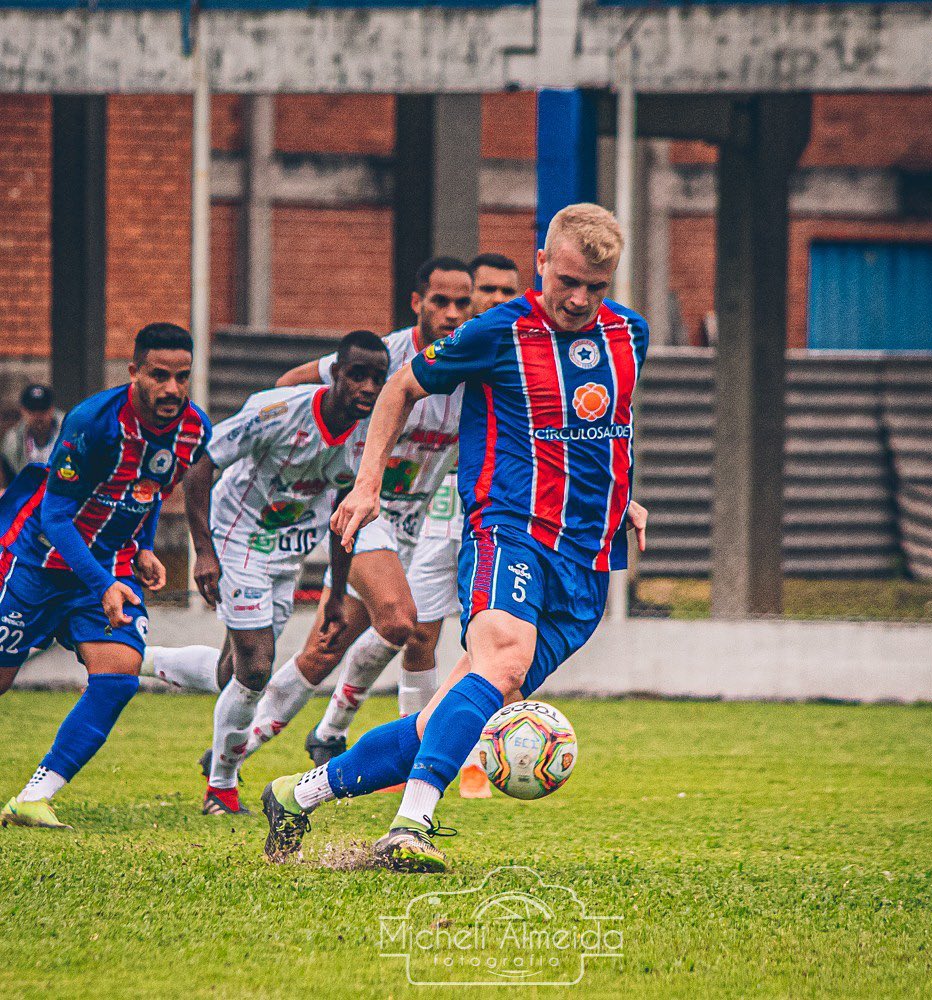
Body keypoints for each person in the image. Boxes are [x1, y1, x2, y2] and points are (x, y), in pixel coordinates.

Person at [260, 203, 649, 873]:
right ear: (543, 264)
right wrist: (366, 485)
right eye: (570, 282)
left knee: (453, 714)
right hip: (510, 531)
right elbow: (400, 387)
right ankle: (410, 826)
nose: (581, 300)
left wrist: (623, 495)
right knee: (501, 661)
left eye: (598, 287)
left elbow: (603, 427)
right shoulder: (498, 331)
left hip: (588, 559)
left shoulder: (629, 335)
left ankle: (297, 794)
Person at [0, 324, 211, 829]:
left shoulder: (193, 428)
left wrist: (141, 547)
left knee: (116, 680)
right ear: (134, 372)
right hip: (43, 564)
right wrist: (102, 584)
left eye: (182, 377)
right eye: (159, 375)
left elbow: (152, 489)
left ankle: (33, 797)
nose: (172, 389)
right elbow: (54, 517)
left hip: (112, 563)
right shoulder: (92, 422)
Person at [170, 330, 389, 815]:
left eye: (377, 378)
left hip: (286, 551)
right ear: (335, 373)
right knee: (255, 667)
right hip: (235, 536)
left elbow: (343, 511)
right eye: (358, 375)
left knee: (233, 670)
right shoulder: (276, 410)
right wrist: (204, 552)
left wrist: (336, 591)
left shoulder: (368, 436)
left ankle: (137, 659)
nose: (368, 388)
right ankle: (221, 788)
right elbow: (199, 470)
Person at [406, 252, 521, 799]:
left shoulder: (521, 345)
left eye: (509, 291)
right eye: (488, 290)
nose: (498, 300)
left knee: (493, 644)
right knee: (412, 632)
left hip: (498, 519)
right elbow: (389, 386)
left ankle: (476, 758)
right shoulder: (456, 347)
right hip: (435, 515)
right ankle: (370, 734)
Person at [0, 384, 65, 489]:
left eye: (43, 410)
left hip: (61, 493)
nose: (38, 416)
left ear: (52, 409)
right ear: (23, 411)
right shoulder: (12, 441)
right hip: (28, 496)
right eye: (32, 411)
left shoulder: (68, 433)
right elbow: (9, 482)